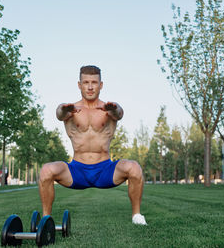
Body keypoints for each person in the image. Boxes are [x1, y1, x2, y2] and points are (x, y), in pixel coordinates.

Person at [39, 65, 147, 225]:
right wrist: (62, 108)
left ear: (101, 85)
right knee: (46, 170)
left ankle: (137, 216)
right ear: (79, 84)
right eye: (86, 82)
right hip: (77, 171)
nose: (90, 87)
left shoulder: (109, 108)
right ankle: (46, 219)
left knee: (134, 168)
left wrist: (114, 107)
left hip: (105, 170)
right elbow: (59, 114)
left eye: (94, 82)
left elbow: (119, 113)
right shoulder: (70, 109)